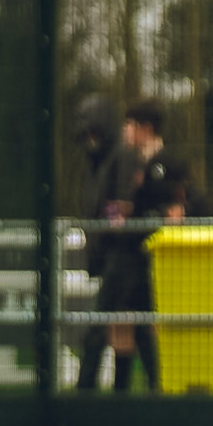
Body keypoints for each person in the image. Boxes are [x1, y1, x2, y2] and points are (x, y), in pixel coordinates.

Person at [86, 99, 171, 393]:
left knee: (109, 322)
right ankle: (148, 386)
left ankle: (89, 387)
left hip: (128, 254)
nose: (126, 129)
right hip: (134, 252)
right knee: (137, 324)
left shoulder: (148, 162)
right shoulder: (134, 159)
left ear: (144, 128)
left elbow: (124, 204)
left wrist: (121, 219)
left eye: (131, 124)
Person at [73, 96, 143, 391]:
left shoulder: (121, 156)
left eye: (94, 133)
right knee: (123, 327)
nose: (91, 140)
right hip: (110, 254)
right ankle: (121, 390)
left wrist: (110, 224)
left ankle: (86, 388)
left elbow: (123, 202)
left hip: (122, 255)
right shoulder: (97, 163)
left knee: (102, 326)